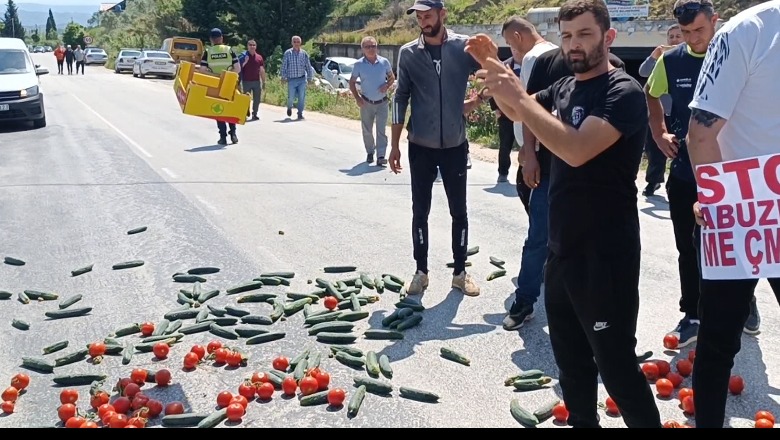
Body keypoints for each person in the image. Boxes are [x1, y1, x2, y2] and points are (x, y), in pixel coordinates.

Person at [468, 0, 662, 427]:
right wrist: (493, 69)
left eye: (584, 34)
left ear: (608, 37)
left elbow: (574, 149)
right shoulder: (563, 88)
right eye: (567, 35)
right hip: (563, 249)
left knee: (616, 370)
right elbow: (520, 112)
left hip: (605, 255)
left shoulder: (622, 92)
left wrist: (516, 93)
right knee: (572, 368)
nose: (573, 45)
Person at [686, 0, 780, 428]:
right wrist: (714, 197)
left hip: (747, 210)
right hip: (743, 213)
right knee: (720, 339)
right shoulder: (747, 31)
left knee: (718, 340)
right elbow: (700, 133)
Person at [646, 0, 760, 347]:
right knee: (688, 248)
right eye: (686, 32)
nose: (694, 38)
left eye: (700, 30)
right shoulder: (671, 60)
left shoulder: (738, 55)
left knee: (741, 245)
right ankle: (692, 314)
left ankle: (746, 304)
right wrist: (658, 131)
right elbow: (651, 95)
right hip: (685, 172)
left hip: (735, 172)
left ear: (715, 21)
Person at [389, 0, 482, 298]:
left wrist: (482, 99)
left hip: (455, 145)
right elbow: (400, 97)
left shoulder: (463, 48)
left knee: (459, 211)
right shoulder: (408, 53)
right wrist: (393, 144)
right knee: (420, 211)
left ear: (442, 14)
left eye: (428, 15)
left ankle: (460, 273)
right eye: (419, 17)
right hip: (421, 146)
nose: (423, 21)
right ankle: (421, 272)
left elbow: (492, 72)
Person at [638, 24, 682, 197]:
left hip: (680, 112)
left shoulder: (688, 58)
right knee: (655, 150)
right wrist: (653, 56)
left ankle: (676, 182)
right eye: (671, 36)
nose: (674, 40)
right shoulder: (663, 59)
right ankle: (653, 182)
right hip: (660, 113)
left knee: (681, 150)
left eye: (678, 36)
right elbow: (643, 72)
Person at [349, 36, 395, 166]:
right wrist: (357, 98)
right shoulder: (359, 64)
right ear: (362, 49)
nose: (371, 49)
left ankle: (381, 156)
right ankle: (370, 151)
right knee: (367, 130)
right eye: (368, 47)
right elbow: (352, 83)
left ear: (377, 47)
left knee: (382, 130)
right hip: (366, 102)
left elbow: (392, 77)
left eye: (373, 46)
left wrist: (387, 85)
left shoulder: (384, 62)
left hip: (382, 102)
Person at [488, 48, 525, 187]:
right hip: (505, 113)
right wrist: (496, 108)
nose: (517, 51)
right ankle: (503, 172)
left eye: (518, 48)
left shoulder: (532, 64)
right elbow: (492, 87)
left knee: (529, 144)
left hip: (525, 114)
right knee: (505, 145)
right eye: (513, 49)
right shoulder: (504, 66)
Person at [200, 28, 241, 145]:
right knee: (230, 108)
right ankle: (233, 134)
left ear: (211, 40)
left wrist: (214, 75)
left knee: (218, 109)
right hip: (229, 83)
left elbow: (202, 70)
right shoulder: (229, 50)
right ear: (222, 38)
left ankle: (223, 137)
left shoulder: (208, 52)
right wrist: (228, 76)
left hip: (215, 84)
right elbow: (237, 68)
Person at [280, 36, 314, 120]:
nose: (296, 43)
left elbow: (308, 66)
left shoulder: (304, 54)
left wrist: (310, 78)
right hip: (291, 79)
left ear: (300, 43)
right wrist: (283, 77)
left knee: (301, 97)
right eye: (294, 42)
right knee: (291, 97)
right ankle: (289, 107)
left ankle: (300, 113)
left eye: (298, 42)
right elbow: (284, 66)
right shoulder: (288, 53)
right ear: (292, 43)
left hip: (302, 79)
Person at [241, 39, 266, 121]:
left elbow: (262, 70)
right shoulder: (243, 56)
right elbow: (239, 68)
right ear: (247, 46)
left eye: (253, 45)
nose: (252, 47)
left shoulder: (259, 57)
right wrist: (245, 61)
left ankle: (255, 114)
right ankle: (245, 111)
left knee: (257, 99)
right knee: (246, 99)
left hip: (256, 81)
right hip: (246, 81)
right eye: (250, 45)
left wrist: (264, 81)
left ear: (256, 47)